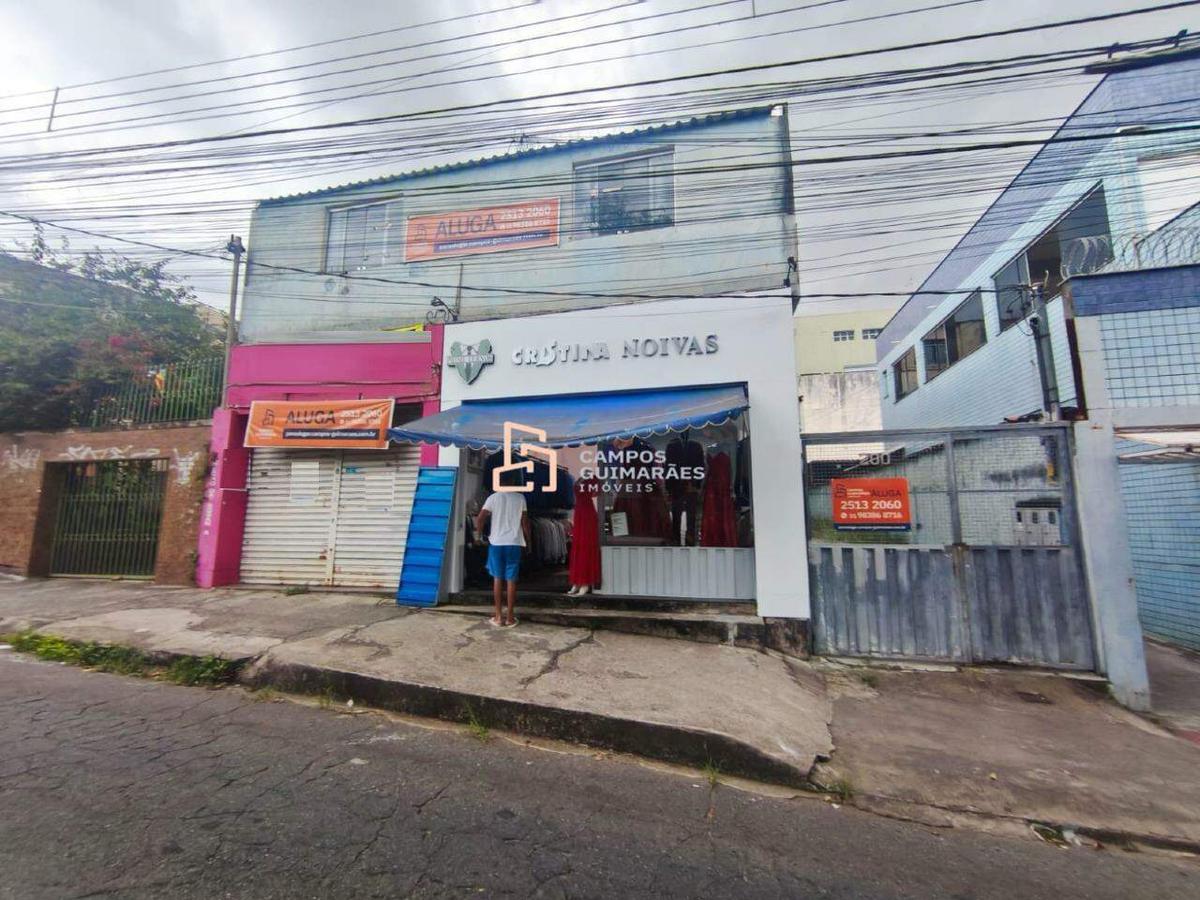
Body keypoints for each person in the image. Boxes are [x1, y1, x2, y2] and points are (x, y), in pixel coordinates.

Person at [474, 469, 531, 628]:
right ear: (513, 482)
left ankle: (498, 617)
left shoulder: (493, 498)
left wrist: (479, 536)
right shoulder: (520, 498)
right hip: (514, 543)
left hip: (496, 543)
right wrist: (529, 541)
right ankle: (510, 617)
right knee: (511, 580)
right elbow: (525, 523)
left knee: (497, 578)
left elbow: (480, 518)